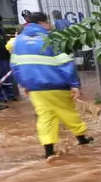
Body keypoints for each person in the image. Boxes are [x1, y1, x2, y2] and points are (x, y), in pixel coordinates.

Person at [10, 12, 93, 159]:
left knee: (45, 117)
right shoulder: (51, 39)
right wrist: (74, 84)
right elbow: (65, 63)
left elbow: (15, 66)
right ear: (42, 23)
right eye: (48, 22)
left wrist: (25, 84)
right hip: (56, 84)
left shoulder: (19, 41)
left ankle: (49, 151)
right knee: (68, 112)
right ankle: (82, 139)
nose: (50, 25)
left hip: (35, 88)